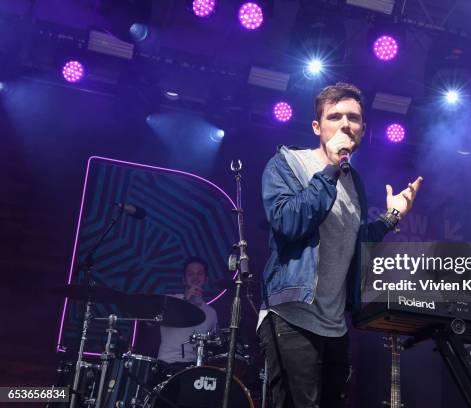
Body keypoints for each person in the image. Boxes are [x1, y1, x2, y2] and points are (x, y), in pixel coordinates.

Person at [257, 82, 423, 407]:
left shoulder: (354, 182)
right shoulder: (288, 164)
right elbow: (290, 223)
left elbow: (354, 242)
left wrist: (392, 217)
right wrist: (330, 168)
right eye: (335, 116)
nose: (345, 124)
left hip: (334, 327)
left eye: (354, 118)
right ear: (317, 127)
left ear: (363, 130)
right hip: (292, 316)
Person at [157, 256, 218, 367]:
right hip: (166, 363)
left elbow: (212, 346)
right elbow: (152, 321)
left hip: (194, 368)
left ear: (206, 279)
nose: (195, 277)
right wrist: (185, 301)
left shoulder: (211, 313)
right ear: (184, 280)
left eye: (200, 274)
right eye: (190, 274)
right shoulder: (170, 300)